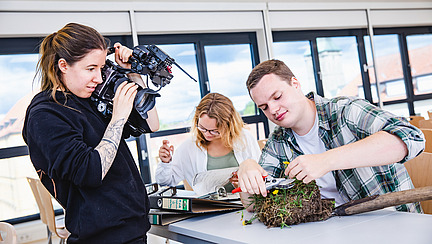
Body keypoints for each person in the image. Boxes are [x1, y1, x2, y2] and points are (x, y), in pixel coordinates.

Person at [22, 23, 159, 243]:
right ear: (63, 65)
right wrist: (118, 118)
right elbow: (90, 171)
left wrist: (134, 74)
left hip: (133, 231)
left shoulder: (91, 99)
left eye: (101, 68)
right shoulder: (45, 114)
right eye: (90, 68)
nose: (99, 78)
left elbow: (151, 124)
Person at [237, 59, 425, 212]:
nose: (273, 110)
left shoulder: (345, 111)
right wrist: (247, 168)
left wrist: (326, 160)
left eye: (277, 97)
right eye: (264, 107)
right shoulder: (278, 140)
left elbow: (412, 137)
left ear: (295, 84)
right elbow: (254, 203)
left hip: (393, 223)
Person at [156, 92, 261, 193]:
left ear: (229, 125)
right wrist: (166, 163)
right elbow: (166, 181)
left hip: (244, 205)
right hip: (209, 207)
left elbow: (262, 172)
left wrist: (245, 182)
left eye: (214, 131)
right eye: (202, 128)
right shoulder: (188, 147)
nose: (207, 134)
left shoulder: (244, 138)